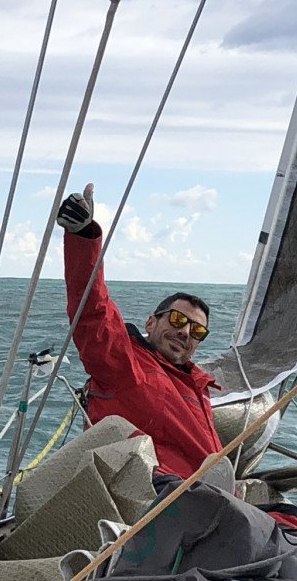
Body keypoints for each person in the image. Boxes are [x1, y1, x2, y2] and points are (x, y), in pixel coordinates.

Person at [57, 183, 224, 480]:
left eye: (197, 330)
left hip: (205, 489)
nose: (186, 332)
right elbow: (93, 314)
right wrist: (83, 237)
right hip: (158, 490)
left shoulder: (197, 387)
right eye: (177, 319)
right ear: (151, 323)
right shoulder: (126, 366)